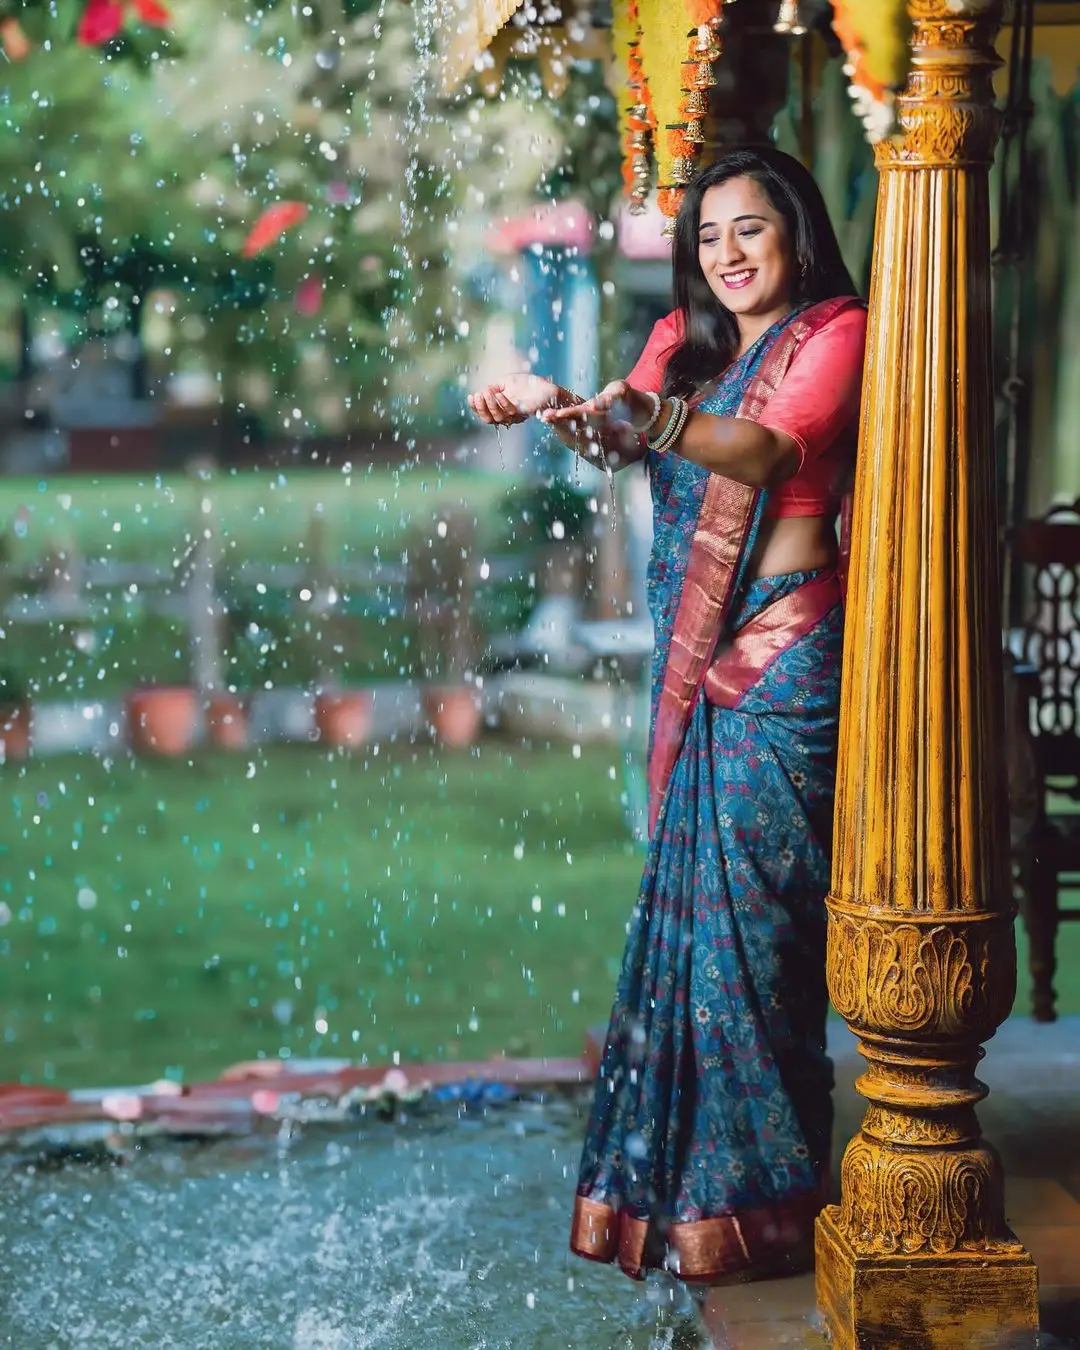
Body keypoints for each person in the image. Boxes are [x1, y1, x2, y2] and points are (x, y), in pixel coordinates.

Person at [469, 148, 867, 1311]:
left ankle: (773, 1204)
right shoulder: (683, 348)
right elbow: (619, 434)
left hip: (784, 659)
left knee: (761, 941)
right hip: (700, 672)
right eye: (707, 236)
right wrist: (559, 409)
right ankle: (717, 1213)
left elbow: (765, 450)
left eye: (751, 230)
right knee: (700, 944)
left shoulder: (834, 331)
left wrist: (656, 416)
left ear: (797, 234)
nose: (729, 255)